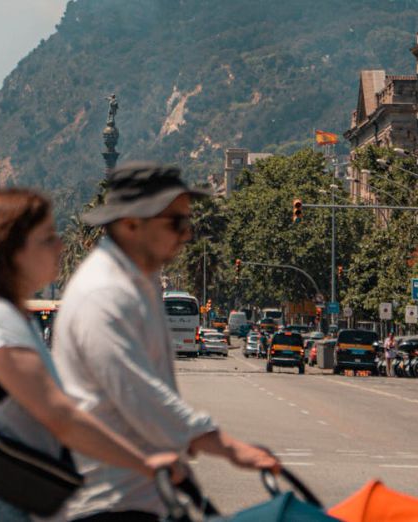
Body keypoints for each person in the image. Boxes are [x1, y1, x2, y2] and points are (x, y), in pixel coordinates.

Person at [0, 188, 182, 522]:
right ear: (12, 250)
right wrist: (145, 463)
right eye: (47, 238)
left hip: (14, 503)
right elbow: (60, 416)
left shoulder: (14, 317)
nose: (60, 246)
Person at [53, 163, 280, 522]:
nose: (187, 234)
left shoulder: (139, 282)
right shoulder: (104, 292)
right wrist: (226, 446)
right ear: (130, 224)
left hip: (144, 496)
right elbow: (138, 393)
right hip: (105, 503)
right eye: (175, 222)